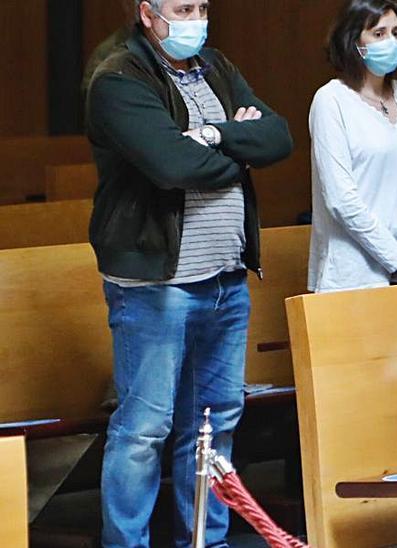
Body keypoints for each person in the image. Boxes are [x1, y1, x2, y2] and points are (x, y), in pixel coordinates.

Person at [85, 0, 293, 545]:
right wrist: (235, 144)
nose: (197, 17)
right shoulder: (118, 77)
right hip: (157, 285)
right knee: (144, 431)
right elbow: (170, 166)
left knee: (215, 424)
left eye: (202, 5)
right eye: (183, 7)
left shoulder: (216, 67)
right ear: (147, 13)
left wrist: (214, 136)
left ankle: (205, 539)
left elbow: (278, 138)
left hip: (226, 277)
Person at [308, 0, 397, 293]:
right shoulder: (331, 100)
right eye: (379, 34)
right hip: (355, 273)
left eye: (395, 33)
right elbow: (341, 199)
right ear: (354, 41)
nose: (392, 41)